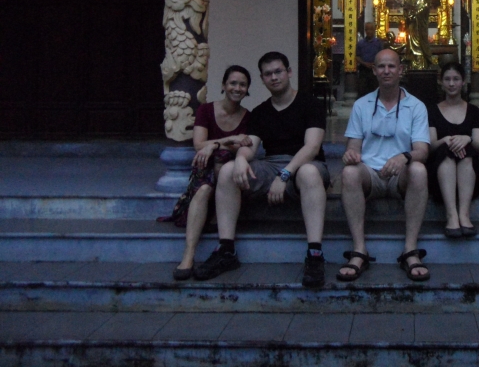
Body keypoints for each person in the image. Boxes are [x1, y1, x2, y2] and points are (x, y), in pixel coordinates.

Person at [193, 52, 330, 288]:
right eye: (268, 74)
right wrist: (240, 159)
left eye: (278, 71)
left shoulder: (311, 104)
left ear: (289, 72)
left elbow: (312, 147)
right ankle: (226, 250)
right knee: (227, 171)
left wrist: (284, 175)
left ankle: (315, 254)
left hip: (306, 165)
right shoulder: (260, 112)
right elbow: (251, 145)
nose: (274, 77)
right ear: (262, 79)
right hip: (270, 164)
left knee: (308, 173)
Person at [338, 49, 431, 282]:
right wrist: (350, 155)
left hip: (401, 175)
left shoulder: (416, 106)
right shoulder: (361, 105)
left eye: (391, 66)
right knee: (349, 172)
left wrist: (404, 157)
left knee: (419, 169)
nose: (386, 71)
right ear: (374, 70)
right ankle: (359, 250)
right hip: (370, 173)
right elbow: (353, 147)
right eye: (381, 66)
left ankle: (410, 250)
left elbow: (422, 151)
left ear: (401, 70)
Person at [161, 66, 252, 281]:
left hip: (226, 176)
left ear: (247, 89)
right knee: (202, 189)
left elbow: (243, 147)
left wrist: (214, 145)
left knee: (223, 163)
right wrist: (228, 140)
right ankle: (188, 256)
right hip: (205, 171)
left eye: (242, 84)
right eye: (233, 83)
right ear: (223, 85)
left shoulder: (248, 117)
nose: (237, 88)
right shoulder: (206, 110)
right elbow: (199, 144)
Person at [427, 61, 479, 238]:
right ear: (441, 82)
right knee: (446, 154)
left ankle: (464, 215)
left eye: (456, 79)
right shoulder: (432, 111)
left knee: (466, 154)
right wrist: (445, 140)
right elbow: (430, 146)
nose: (451, 83)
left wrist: (467, 139)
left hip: (469, 171)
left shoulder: (474, 111)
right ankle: (451, 215)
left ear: (463, 81)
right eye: (447, 79)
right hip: (439, 172)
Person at [403, 0, 434, 70]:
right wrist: (408, 14)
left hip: (421, 22)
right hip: (413, 23)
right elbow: (407, 7)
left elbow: (426, 6)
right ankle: (412, 60)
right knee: (411, 39)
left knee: (422, 41)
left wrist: (415, 13)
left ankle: (424, 62)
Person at [356, 22, 383, 97]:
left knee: (375, 91)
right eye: (367, 29)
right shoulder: (360, 43)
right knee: (362, 91)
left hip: (375, 70)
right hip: (363, 70)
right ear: (365, 30)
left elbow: (382, 55)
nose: (369, 31)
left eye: (371, 29)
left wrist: (375, 63)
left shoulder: (378, 43)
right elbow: (357, 56)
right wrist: (364, 63)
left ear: (374, 30)